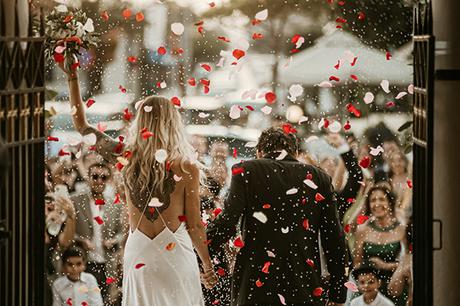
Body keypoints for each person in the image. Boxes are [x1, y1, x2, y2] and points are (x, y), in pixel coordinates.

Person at [61, 65, 217, 306]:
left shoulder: (125, 157)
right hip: (176, 254)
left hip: (139, 253)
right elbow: (195, 225)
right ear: (173, 123)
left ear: (140, 122)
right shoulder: (187, 168)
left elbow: (82, 126)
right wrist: (206, 265)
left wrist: (72, 75)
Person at [206, 127, 347, 306]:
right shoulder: (319, 178)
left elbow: (227, 223)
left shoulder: (245, 171)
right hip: (302, 281)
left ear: (259, 152)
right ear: (295, 153)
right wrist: (338, 293)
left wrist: (203, 256)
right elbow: (333, 238)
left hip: (256, 282)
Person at [71, 162, 127, 301]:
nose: (99, 181)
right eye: (95, 176)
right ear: (88, 177)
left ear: (108, 180)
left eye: (104, 177)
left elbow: (122, 233)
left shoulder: (115, 204)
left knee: (105, 300)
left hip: (106, 264)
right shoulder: (76, 200)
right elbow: (67, 231)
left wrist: (113, 241)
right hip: (83, 262)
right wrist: (80, 240)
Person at [353, 185, 408, 305]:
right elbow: (357, 263)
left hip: (394, 286)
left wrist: (386, 266)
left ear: (390, 203)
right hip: (368, 288)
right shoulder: (362, 230)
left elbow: (407, 263)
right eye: (373, 200)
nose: (377, 204)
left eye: (382, 199)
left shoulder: (401, 230)